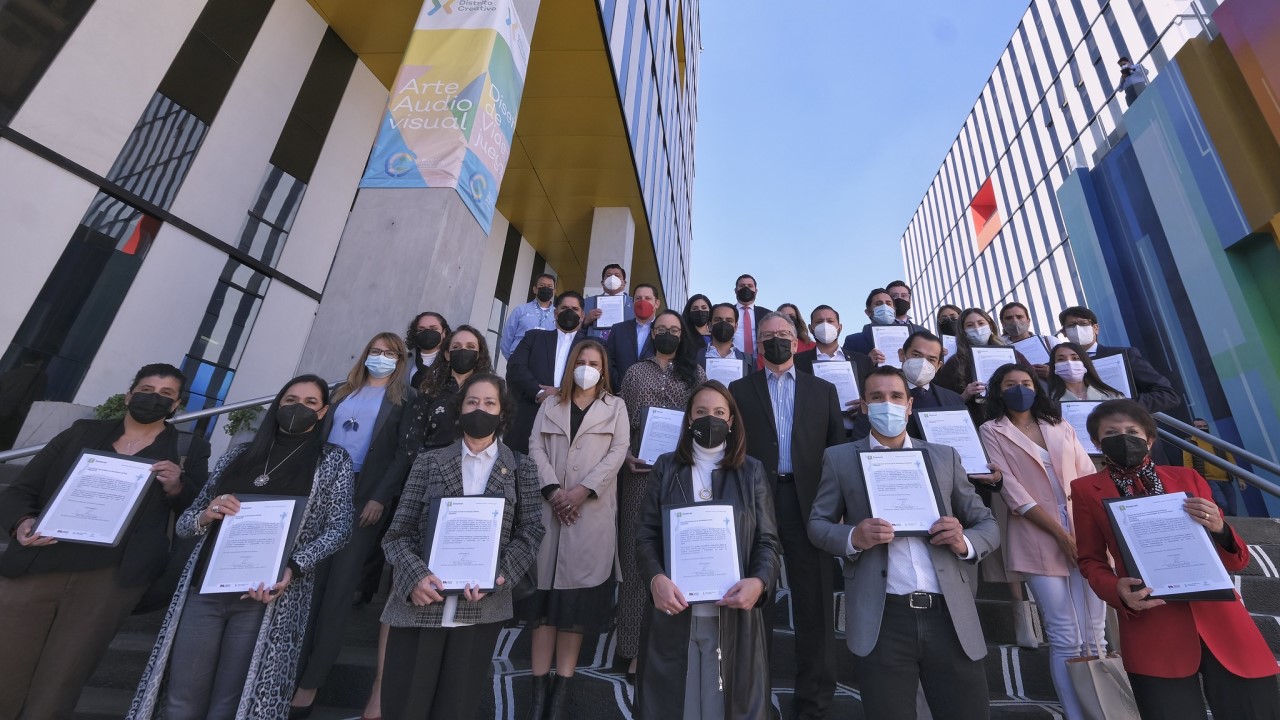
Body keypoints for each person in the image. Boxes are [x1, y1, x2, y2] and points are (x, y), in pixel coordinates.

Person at [129, 375, 355, 719]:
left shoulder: (333, 461)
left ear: (323, 412)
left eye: (310, 403)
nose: (299, 408)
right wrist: (207, 513)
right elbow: (188, 523)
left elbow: (339, 528)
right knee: (182, 698)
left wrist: (293, 567)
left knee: (232, 703)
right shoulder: (238, 454)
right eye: (291, 400)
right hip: (206, 589)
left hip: (267, 596)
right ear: (278, 405)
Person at [0, 364, 201, 718]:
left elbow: (194, 516)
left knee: (63, 676)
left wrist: (177, 487)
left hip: (108, 579)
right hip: (38, 564)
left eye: (166, 394)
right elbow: (21, 490)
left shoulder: (187, 450)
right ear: (128, 395)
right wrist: (22, 522)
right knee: (6, 662)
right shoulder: (82, 433)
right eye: (147, 390)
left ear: (176, 405)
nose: (154, 399)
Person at [808, 366, 999, 719]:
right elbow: (817, 525)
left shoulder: (944, 456)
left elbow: (987, 523)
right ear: (864, 406)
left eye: (896, 396)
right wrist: (853, 537)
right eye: (877, 397)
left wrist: (964, 542)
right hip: (883, 616)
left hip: (949, 614)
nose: (888, 404)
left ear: (910, 405)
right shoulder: (840, 458)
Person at [1072, 399, 1279, 719]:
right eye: (1111, 433)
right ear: (1097, 443)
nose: (1123, 438)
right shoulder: (1086, 490)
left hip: (1221, 618)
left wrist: (1220, 528)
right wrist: (1116, 590)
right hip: (1152, 622)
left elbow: (1237, 562)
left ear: (1149, 439)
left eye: (1132, 431)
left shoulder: (1188, 478)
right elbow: (1090, 560)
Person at [378, 373, 544, 719]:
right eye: (472, 402)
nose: (479, 409)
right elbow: (397, 534)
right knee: (406, 708)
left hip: (480, 611)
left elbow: (531, 531)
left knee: (456, 710)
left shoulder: (521, 468)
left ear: (502, 412)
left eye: (489, 403)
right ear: (460, 409)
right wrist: (415, 577)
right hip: (420, 607)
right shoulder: (428, 461)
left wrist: (500, 575)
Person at [357, 325, 494, 720]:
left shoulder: (489, 392)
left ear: (481, 352)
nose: (463, 351)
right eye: (457, 346)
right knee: (401, 588)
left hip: (471, 498)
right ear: (446, 353)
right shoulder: (427, 392)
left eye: (471, 346)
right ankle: (381, 687)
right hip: (424, 493)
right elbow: (409, 446)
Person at [635, 381, 781, 719]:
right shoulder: (666, 467)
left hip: (733, 621)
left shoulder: (751, 471)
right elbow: (646, 535)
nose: (709, 418)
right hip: (675, 616)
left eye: (718, 412)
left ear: (730, 420)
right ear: (689, 419)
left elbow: (768, 542)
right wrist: (655, 578)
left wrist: (759, 582)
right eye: (701, 411)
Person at [290, 334, 417, 716]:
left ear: (400, 360)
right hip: (320, 492)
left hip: (363, 496)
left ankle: (311, 682)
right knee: (306, 585)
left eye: (390, 353)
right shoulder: (341, 392)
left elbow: (402, 454)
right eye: (376, 352)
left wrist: (380, 497)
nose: (381, 358)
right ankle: (289, 670)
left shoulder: (405, 399)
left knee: (338, 590)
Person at [729, 312, 844, 720]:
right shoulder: (738, 390)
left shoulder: (823, 390)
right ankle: (752, 699)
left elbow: (836, 450)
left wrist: (837, 508)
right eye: (767, 336)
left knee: (814, 606)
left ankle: (813, 703)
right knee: (752, 600)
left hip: (808, 504)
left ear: (797, 342)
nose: (775, 340)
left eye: (783, 334)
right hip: (755, 502)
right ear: (758, 345)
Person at [978, 364, 1105, 720]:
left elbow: (1086, 473)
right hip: (1036, 532)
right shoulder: (991, 430)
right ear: (998, 390)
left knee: (1095, 634)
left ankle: (1101, 710)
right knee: (1064, 633)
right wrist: (1060, 535)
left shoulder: (1059, 424)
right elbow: (1012, 491)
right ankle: (1075, 714)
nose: (1019, 389)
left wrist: (1085, 528)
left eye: (1026, 382)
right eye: (1010, 384)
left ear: (1036, 387)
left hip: (1084, 528)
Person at [521, 340, 629, 718]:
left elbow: (618, 453)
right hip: (550, 512)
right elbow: (534, 447)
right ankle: (538, 694)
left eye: (594, 363)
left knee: (573, 611)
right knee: (543, 608)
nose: (587, 367)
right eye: (581, 361)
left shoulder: (616, 407)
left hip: (590, 514)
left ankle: (560, 692)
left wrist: (583, 491)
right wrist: (553, 491)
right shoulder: (550, 404)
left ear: (604, 369)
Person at [617, 310, 705, 676]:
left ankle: (671, 648)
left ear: (683, 336)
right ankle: (633, 649)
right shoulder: (635, 373)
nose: (668, 334)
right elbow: (620, 422)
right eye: (661, 329)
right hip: (640, 474)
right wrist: (625, 455)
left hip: (682, 473)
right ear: (652, 334)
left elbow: (703, 422)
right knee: (637, 557)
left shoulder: (696, 374)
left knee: (677, 557)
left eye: (674, 330)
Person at [506, 291, 588, 454]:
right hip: (530, 417)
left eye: (574, 309)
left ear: (582, 315)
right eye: (564, 308)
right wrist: (539, 393)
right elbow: (515, 367)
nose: (569, 312)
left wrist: (561, 392)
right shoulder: (534, 337)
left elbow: (599, 379)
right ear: (556, 313)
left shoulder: (592, 345)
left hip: (573, 420)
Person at [1058, 306, 1180, 413]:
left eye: (1083, 323)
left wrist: (1124, 406)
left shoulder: (1125, 355)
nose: (1077, 328)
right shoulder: (1055, 367)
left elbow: (1167, 395)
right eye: (1071, 325)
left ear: (1096, 328)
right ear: (1064, 332)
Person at [935, 307, 1032, 426]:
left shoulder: (1013, 355)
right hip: (978, 423)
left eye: (981, 323)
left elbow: (1033, 383)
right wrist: (965, 395)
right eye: (970, 325)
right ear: (963, 331)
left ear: (990, 326)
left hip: (1016, 420)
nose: (977, 328)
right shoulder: (954, 363)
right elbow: (944, 402)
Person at [795, 304, 874, 436]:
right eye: (819, 322)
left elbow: (874, 395)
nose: (825, 325)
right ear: (810, 328)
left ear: (839, 327)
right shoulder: (798, 362)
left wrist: (864, 406)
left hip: (856, 434)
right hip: (816, 435)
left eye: (830, 321)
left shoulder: (863, 361)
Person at [842, 288, 928, 364]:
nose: (884, 307)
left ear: (894, 310)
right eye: (878, 304)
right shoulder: (853, 341)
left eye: (888, 303)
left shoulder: (912, 336)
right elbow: (849, 371)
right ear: (868, 312)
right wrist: (867, 362)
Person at [1182, 418, 1241, 517]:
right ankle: (1222, 523)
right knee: (1222, 504)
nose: (1203, 428)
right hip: (1209, 480)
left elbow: (1230, 460)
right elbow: (1188, 464)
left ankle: (1232, 524)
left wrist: (1240, 479)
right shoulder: (1190, 444)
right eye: (1199, 426)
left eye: (1204, 426)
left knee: (1232, 507)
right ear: (1192, 428)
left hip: (1226, 480)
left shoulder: (1216, 442)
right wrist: (1191, 482)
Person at [602, 283, 660, 383]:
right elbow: (609, 361)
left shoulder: (663, 330)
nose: (642, 302)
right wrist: (617, 383)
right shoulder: (618, 329)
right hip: (620, 389)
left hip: (653, 390)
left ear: (657, 303)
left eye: (648, 298)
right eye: (638, 298)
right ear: (633, 302)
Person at [501, 273, 559, 359]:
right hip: (519, 358)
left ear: (554, 291)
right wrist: (511, 359)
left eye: (549, 286)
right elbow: (507, 337)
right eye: (542, 285)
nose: (546, 288)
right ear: (535, 289)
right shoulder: (520, 310)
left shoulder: (558, 314)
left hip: (543, 361)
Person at [1047, 341, 1124, 402]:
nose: (1069, 363)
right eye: (1061, 359)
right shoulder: (1049, 401)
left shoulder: (1113, 397)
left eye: (1075, 358)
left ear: (1085, 363)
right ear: (1054, 366)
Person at [0, 351, 47, 450]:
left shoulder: (8, 374)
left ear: (23, 361)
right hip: (17, 417)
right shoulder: (40, 375)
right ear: (39, 362)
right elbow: (37, 397)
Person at [999, 302, 1057, 379]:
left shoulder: (1049, 341)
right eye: (1009, 318)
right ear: (1002, 323)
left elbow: (1069, 367)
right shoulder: (1000, 349)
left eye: (1019, 317)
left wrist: (1053, 372)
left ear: (1028, 321)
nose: (1015, 321)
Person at [701, 302, 751, 379]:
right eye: (718, 320)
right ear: (710, 325)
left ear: (735, 327)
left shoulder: (750, 362)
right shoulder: (693, 358)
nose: (723, 323)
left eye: (729, 320)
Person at [583, 263, 633, 339]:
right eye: (608, 275)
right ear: (602, 282)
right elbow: (575, 332)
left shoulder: (634, 303)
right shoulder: (587, 302)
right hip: (595, 344)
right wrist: (586, 321)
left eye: (617, 275)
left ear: (624, 282)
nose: (612, 278)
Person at [732, 274, 771, 367]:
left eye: (750, 286)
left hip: (761, 364)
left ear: (756, 291)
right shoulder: (727, 312)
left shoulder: (767, 314)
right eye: (742, 286)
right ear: (735, 290)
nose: (746, 288)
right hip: (733, 363)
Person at [406, 312, 451, 388]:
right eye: (421, 330)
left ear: (444, 333)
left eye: (433, 329)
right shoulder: (405, 360)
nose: (427, 333)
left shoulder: (450, 360)